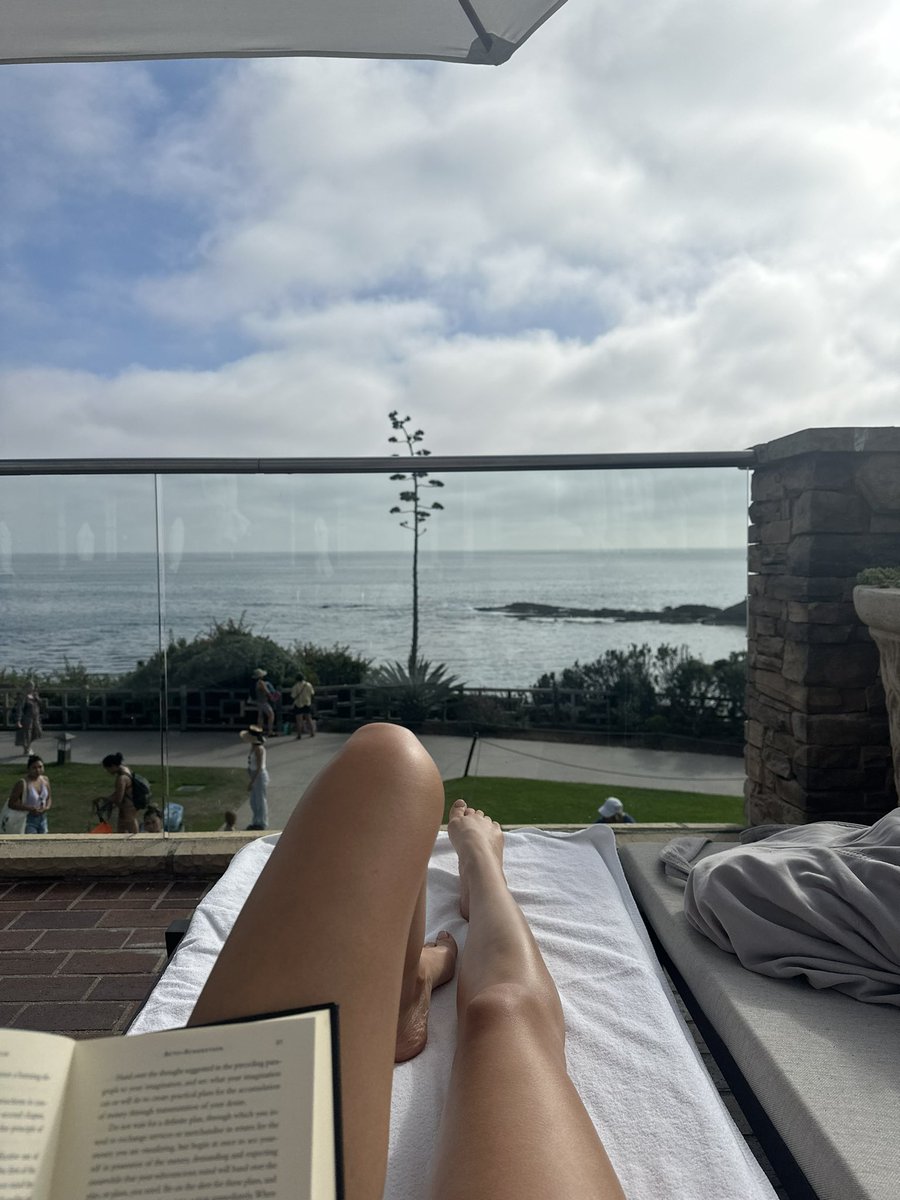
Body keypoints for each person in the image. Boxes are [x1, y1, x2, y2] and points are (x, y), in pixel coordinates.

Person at [189, 723, 626, 1200]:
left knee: (385, 763)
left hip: (174, 1170)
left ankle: (408, 984)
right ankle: (481, 871)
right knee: (505, 1011)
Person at [6, 755, 52, 834]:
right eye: (34, 768)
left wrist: (46, 807)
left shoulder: (45, 780)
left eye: (40, 767)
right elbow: (11, 803)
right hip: (28, 819)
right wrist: (30, 808)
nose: (38, 770)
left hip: (43, 818)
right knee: (31, 840)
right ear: (28, 769)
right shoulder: (22, 783)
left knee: (44, 840)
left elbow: (49, 797)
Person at [99, 752, 140, 834]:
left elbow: (119, 798)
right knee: (125, 826)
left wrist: (106, 800)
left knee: (129, 828)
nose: (108, 772)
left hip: (127, 807)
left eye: (108, 769)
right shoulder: (126, 769)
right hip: (131, 804)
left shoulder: (122, 778)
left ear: (113, 766)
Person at [240, 725, 269, 830]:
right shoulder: (253, 747)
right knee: (254, 801)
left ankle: (261, 823)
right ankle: (256, 821)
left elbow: (259, 767)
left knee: (260, 800)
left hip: (258, 776)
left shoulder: (259, 749)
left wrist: (252, 782)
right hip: (254, 774)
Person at [15, 680, 42, 756]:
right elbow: (19, 708)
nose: (32, 688)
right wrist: (18, 720)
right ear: (26, 687)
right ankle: (26, 749)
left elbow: (40, 704)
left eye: (33, 686)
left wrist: (37, 698)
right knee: (27, 735)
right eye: (30, 686)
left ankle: (28, 747)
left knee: (37, 733)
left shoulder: (34, 695)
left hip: (35, 718)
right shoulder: (23, 697)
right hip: (27, 718)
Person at [290, 673, 316, 739]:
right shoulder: (308, 684)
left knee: (299, 720)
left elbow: (293, 696)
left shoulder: (295, 686)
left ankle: (299, 734)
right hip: (307, 703)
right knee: (309, 719)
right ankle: (312, 732)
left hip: (298, 704)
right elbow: (312, 693)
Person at [252, 668, 276, 736]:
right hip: (263, 701)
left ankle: (259, 731)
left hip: (259, 701)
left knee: (260, 717)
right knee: (271, 715)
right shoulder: (261, 682)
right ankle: (270, 731)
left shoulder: (256, 683)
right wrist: (272, 697)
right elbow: (266, 691)